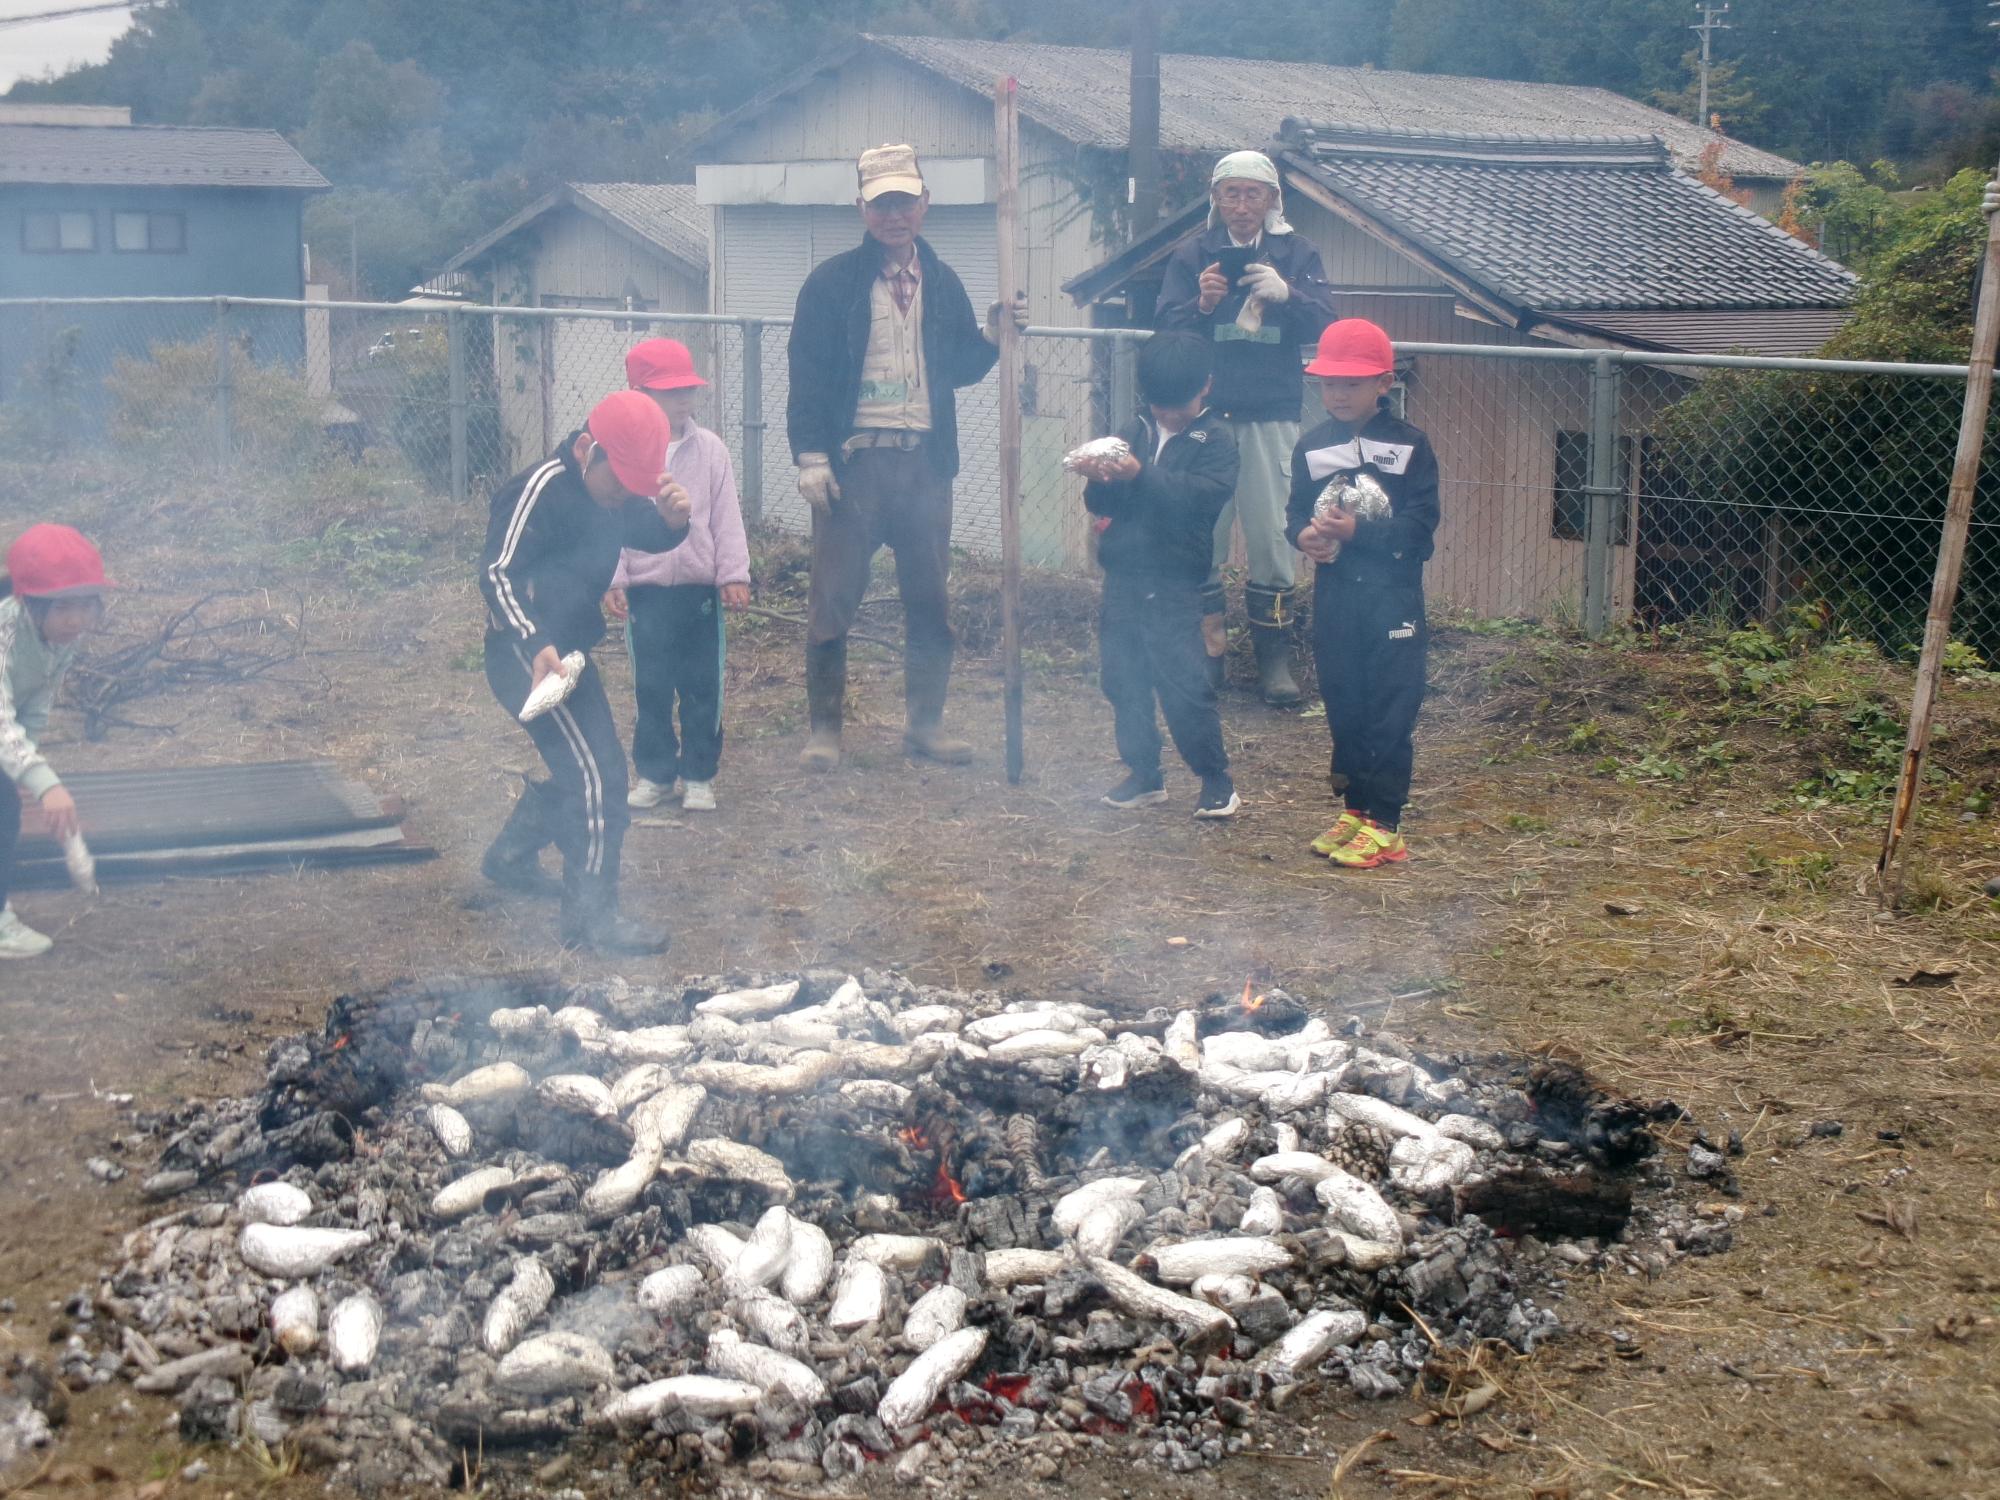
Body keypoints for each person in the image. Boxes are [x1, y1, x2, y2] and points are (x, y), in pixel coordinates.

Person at [786, 142, 1025, 771]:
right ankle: (825, 731)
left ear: (925, 203)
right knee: (833, 599)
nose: (894, 215)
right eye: (881, 204)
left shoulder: (941, 282)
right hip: (854, 467)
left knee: (929, 599)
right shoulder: (831, 284)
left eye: (904, 202)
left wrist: (993, 334)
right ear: (861, 208)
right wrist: (810, 455)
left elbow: (962, 366)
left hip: (924, 465)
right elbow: (806, 376)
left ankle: (925, 726)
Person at [478, 390, 693, 954]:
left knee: (590, 771)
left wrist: (673, 524)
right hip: (525, 655)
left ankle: (510, 856)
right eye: (618, 482)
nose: (623, 496)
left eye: (633, 487)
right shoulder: (539, 489)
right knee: (599, 776)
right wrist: (535, 640)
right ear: (584, 449)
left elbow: (643, 527)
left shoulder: (614, 494)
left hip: (568, 653)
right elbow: (497, 574)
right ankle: (591, 919)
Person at [1156, 149, 1337, 707]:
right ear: (1215, 198)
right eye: (1230, 193)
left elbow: (1327, 325)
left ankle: (1274, 664)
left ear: (1272, 199)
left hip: (1270, 412)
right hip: (1206, 415)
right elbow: (1164, 327)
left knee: (1272, 538)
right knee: (1201, 537)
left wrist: (1289, 293)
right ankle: (1207, 655)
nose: (1241, 205)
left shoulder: (1297, 253)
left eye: (1252, 193)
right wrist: (1201, 304)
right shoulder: (1193, 254)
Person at [1285, 319, 1439, 869]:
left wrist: (1359, 533)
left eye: (1352, 383)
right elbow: (1295, 513)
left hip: (1392, 600)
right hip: (1336, 598)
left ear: (1383, 383)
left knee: (1389, 710)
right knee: (1344, 701)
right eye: (1329, 383)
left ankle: (1386, 824)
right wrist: (1303, 537)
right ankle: (1355, 809)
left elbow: (1421, 531)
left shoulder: (1411, 445)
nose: (1339, 394)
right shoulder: (1311, 445)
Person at [1079, 332, 1242, 819]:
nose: (1167, 415)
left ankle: (1216, 780)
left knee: (1183, 684)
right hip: (1124, 576)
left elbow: (1199, 498)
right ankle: (1144, 774)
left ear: (1205, 387)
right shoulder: (1134, 429)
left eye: (1178, 406)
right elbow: (1101, 502)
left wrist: (1138, 475)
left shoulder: (1216, 439)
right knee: (1121, 678)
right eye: (1158, 405)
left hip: (1174, 582)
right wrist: (1098, 481)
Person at [606, 338, 751, 814]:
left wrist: (733, 573)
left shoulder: (710, 450)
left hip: (697, 592)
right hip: (646, 594)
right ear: (640, 395)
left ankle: (699, 775)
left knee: (701, 686)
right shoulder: (622, 453)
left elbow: (726, 517)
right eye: (670, 392)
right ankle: (656, 775)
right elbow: (610, 520)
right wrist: (614, 578)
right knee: (650, 688)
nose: (683, 400)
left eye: (688, 389)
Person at [0, 524, 112, 960]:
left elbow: (34, 703)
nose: (77, 619)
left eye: (86, 605)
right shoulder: (6, 634)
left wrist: (22, 772)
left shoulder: (59, 637)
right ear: (31, 602)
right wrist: (45, 783)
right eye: (64, 606)